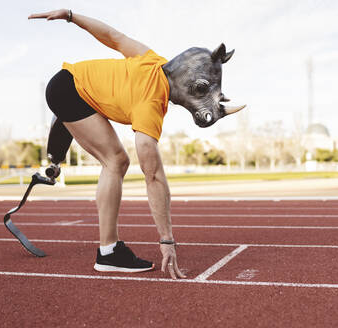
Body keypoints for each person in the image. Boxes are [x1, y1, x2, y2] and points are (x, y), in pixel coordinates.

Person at [29, 9, 244, 280]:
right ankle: (108, 254)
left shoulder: (153, 60)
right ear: (190, 85)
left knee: (116, 160)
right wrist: (166, 239)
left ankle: (62, 127)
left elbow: (113, 36)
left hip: (69, 81)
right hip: (70, 89)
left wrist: (72, 15)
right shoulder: (151, 105)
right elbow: (153, 176)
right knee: (115, 161)